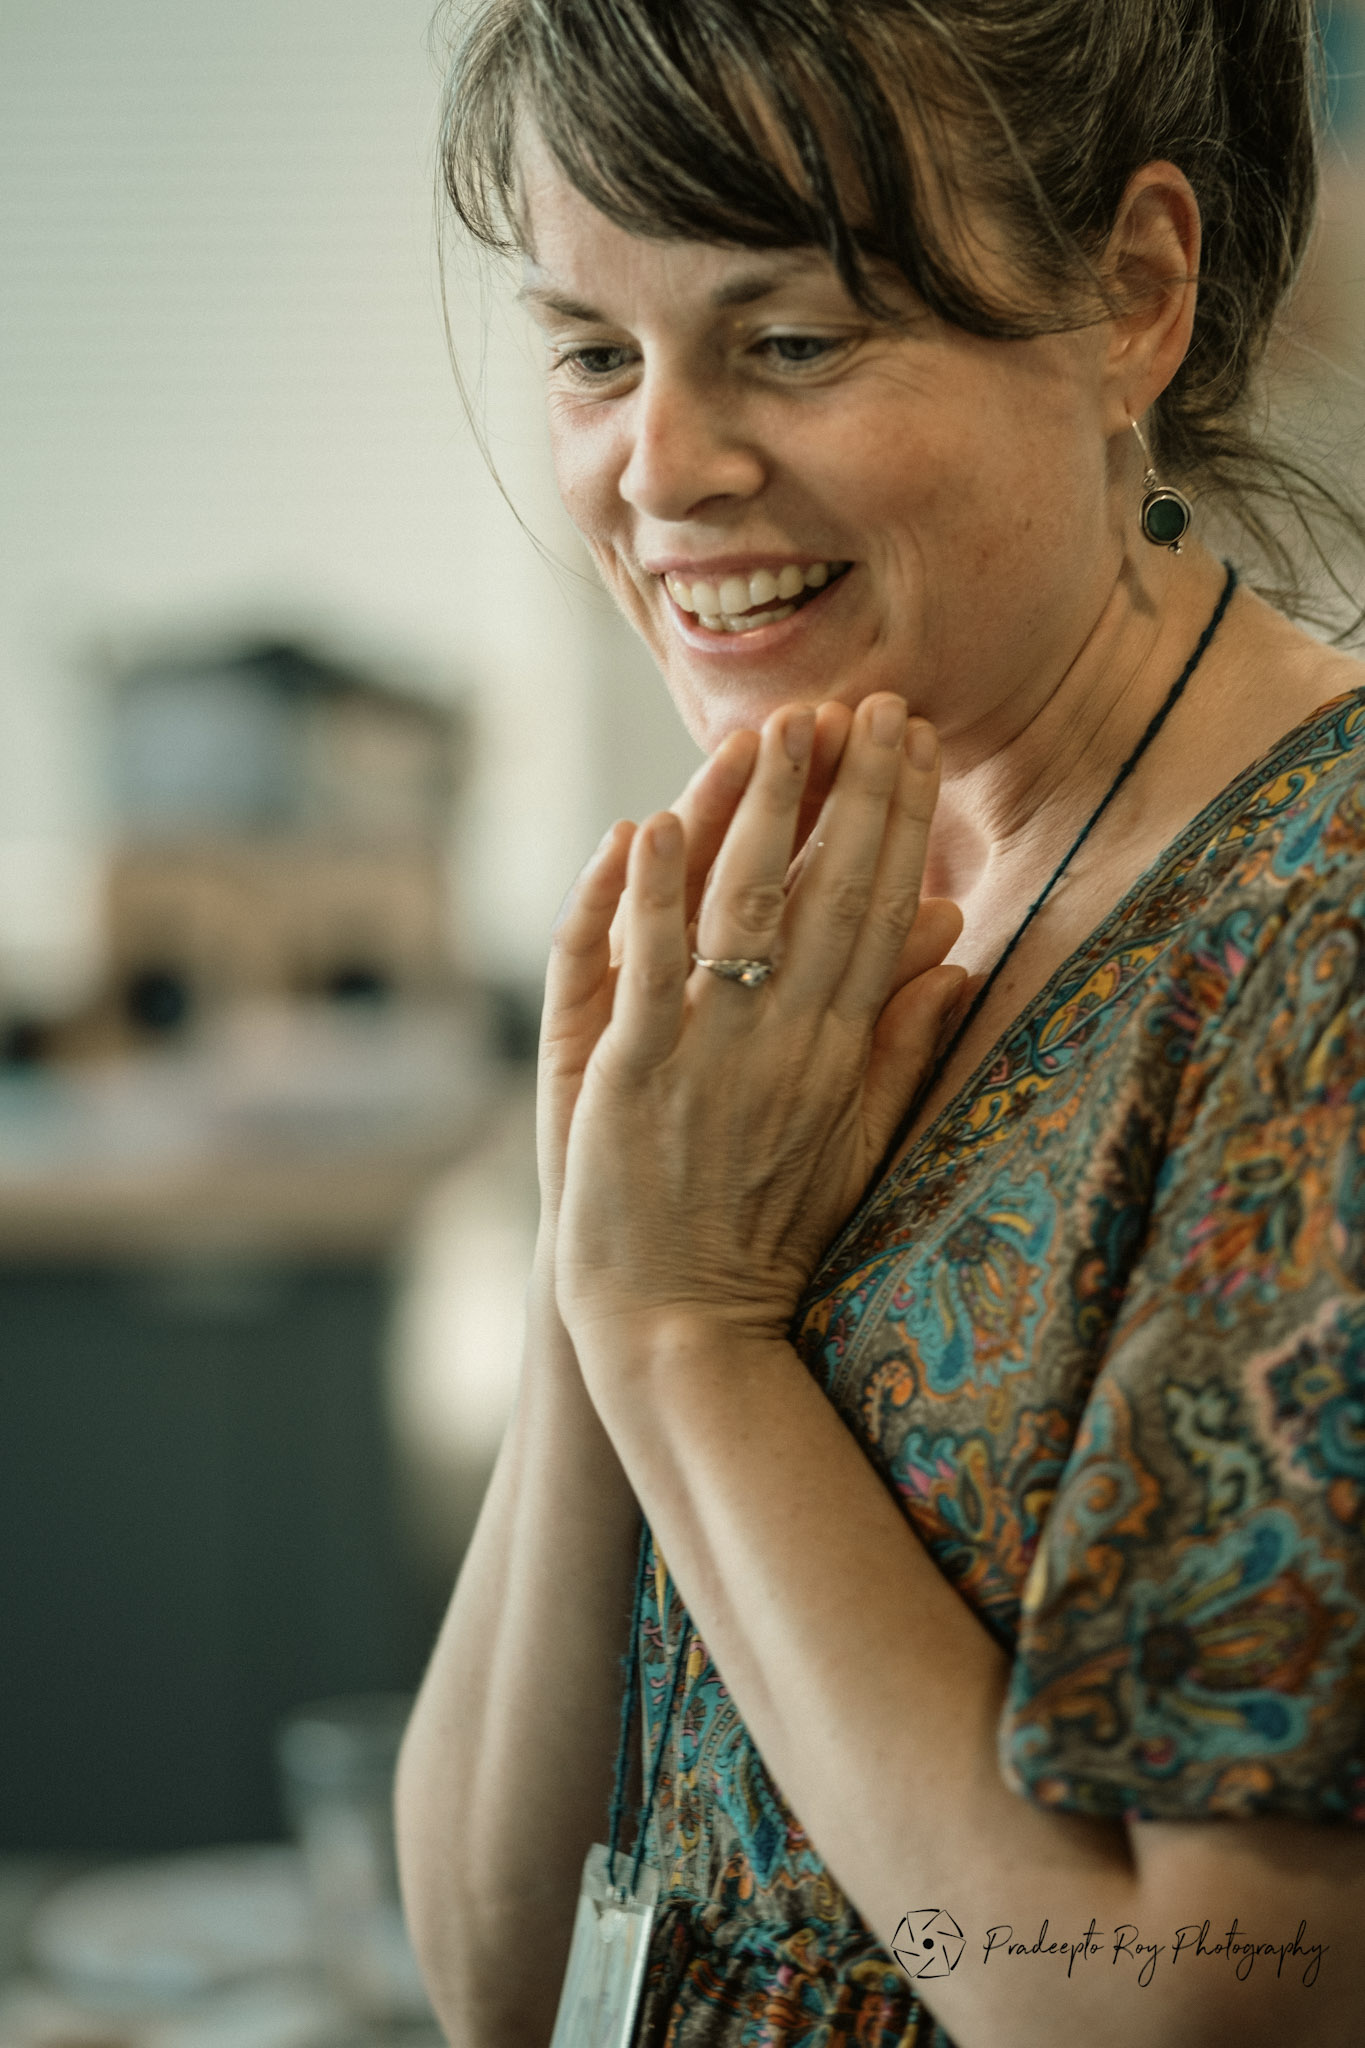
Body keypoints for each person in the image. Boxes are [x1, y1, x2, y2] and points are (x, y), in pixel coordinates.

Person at [394, 2, 1365, 2042]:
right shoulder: (784, 923)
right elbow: (499, 1963)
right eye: (593, 352)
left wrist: (683, 1327)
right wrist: (613, 1235)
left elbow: (1192, 2012)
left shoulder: (1317, 939)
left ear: (1132, 295)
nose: (658, 468)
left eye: (790, 339)